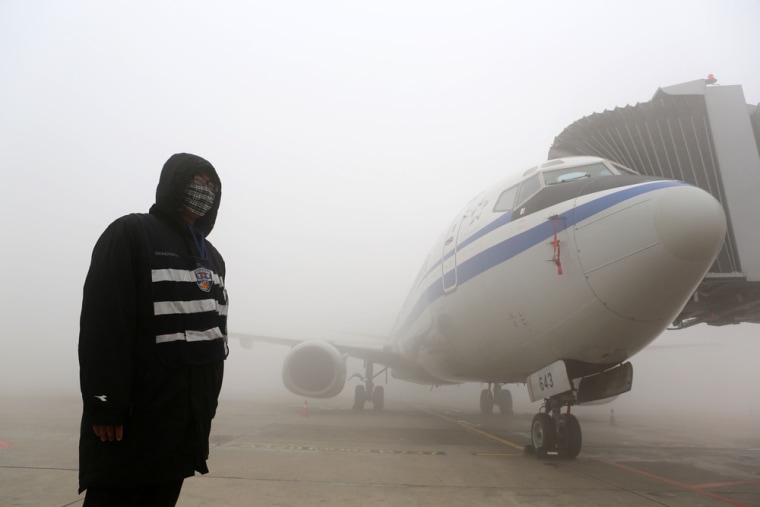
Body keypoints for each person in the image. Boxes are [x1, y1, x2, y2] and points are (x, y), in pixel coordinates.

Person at [78, 153, 229, 506]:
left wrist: (205, 408)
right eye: (196, 182)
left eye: (211, 185)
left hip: (181, 422)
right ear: (174, 183)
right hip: (132, 419)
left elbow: (214, 336)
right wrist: (105, 405)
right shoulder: (131, 234)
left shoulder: (212, 257)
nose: (203, 191)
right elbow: (104, 325)